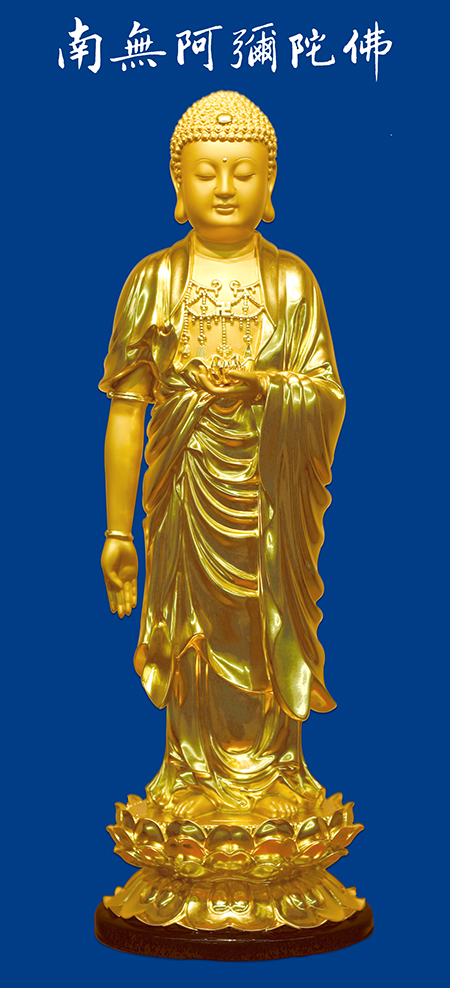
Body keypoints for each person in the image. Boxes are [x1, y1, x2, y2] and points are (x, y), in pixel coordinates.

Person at [99, 91, 346, 823]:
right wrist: (118, 531)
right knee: (192, 637)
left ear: (270, 183)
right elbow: (126, 412)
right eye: (207, 172)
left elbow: (325, 394)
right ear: (179, 184)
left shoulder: (293, 283)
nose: (226, 188)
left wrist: (264, 388)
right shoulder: (154, 281)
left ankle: (275, 777)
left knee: (268, 627)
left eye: (243, 171)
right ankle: (190, 775)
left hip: (268, 501)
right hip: (184, 494)